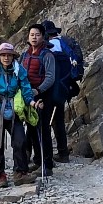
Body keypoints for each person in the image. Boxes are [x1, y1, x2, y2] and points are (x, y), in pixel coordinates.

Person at [0, 41, 32, 186]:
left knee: (20, 140)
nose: (6, 58)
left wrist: (32, 102)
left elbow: (26, 87)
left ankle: (20, 172)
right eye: (3, 55)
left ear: (13, 57)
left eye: (9, 55)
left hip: (14, 110)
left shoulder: (19, 70)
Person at [39, 19, 84, 164]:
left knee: (45, 121)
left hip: (48, 89)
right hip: (64, 87)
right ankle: (63, 153)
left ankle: (46, 156)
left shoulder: (48, 47)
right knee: (58, 120)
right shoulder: (63, 44)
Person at [21, 26, 61, 178]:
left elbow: (50, 77)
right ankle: (38, 161)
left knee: (42, 130)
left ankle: (47, 165)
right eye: (31, 34)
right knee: (31, 129)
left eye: (37, 35)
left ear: (43, 37)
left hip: (44, 96)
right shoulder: (25, 55)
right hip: (28, 96)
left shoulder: (47, 55)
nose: (34, 37)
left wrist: (38, 90)